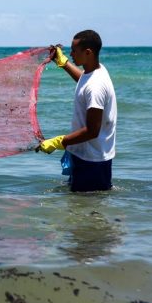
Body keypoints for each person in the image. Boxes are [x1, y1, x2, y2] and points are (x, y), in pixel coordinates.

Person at [38, 30, 117, 192]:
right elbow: (84, 81)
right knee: (80, 204)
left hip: (92, 161)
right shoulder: (96, 71)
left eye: (74, 50)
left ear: (88, 52)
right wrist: (64, 63)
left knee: (89, 204)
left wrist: (59, 142)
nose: (71, 54)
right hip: (86, 156)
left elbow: (92, 131)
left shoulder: (96, 86)